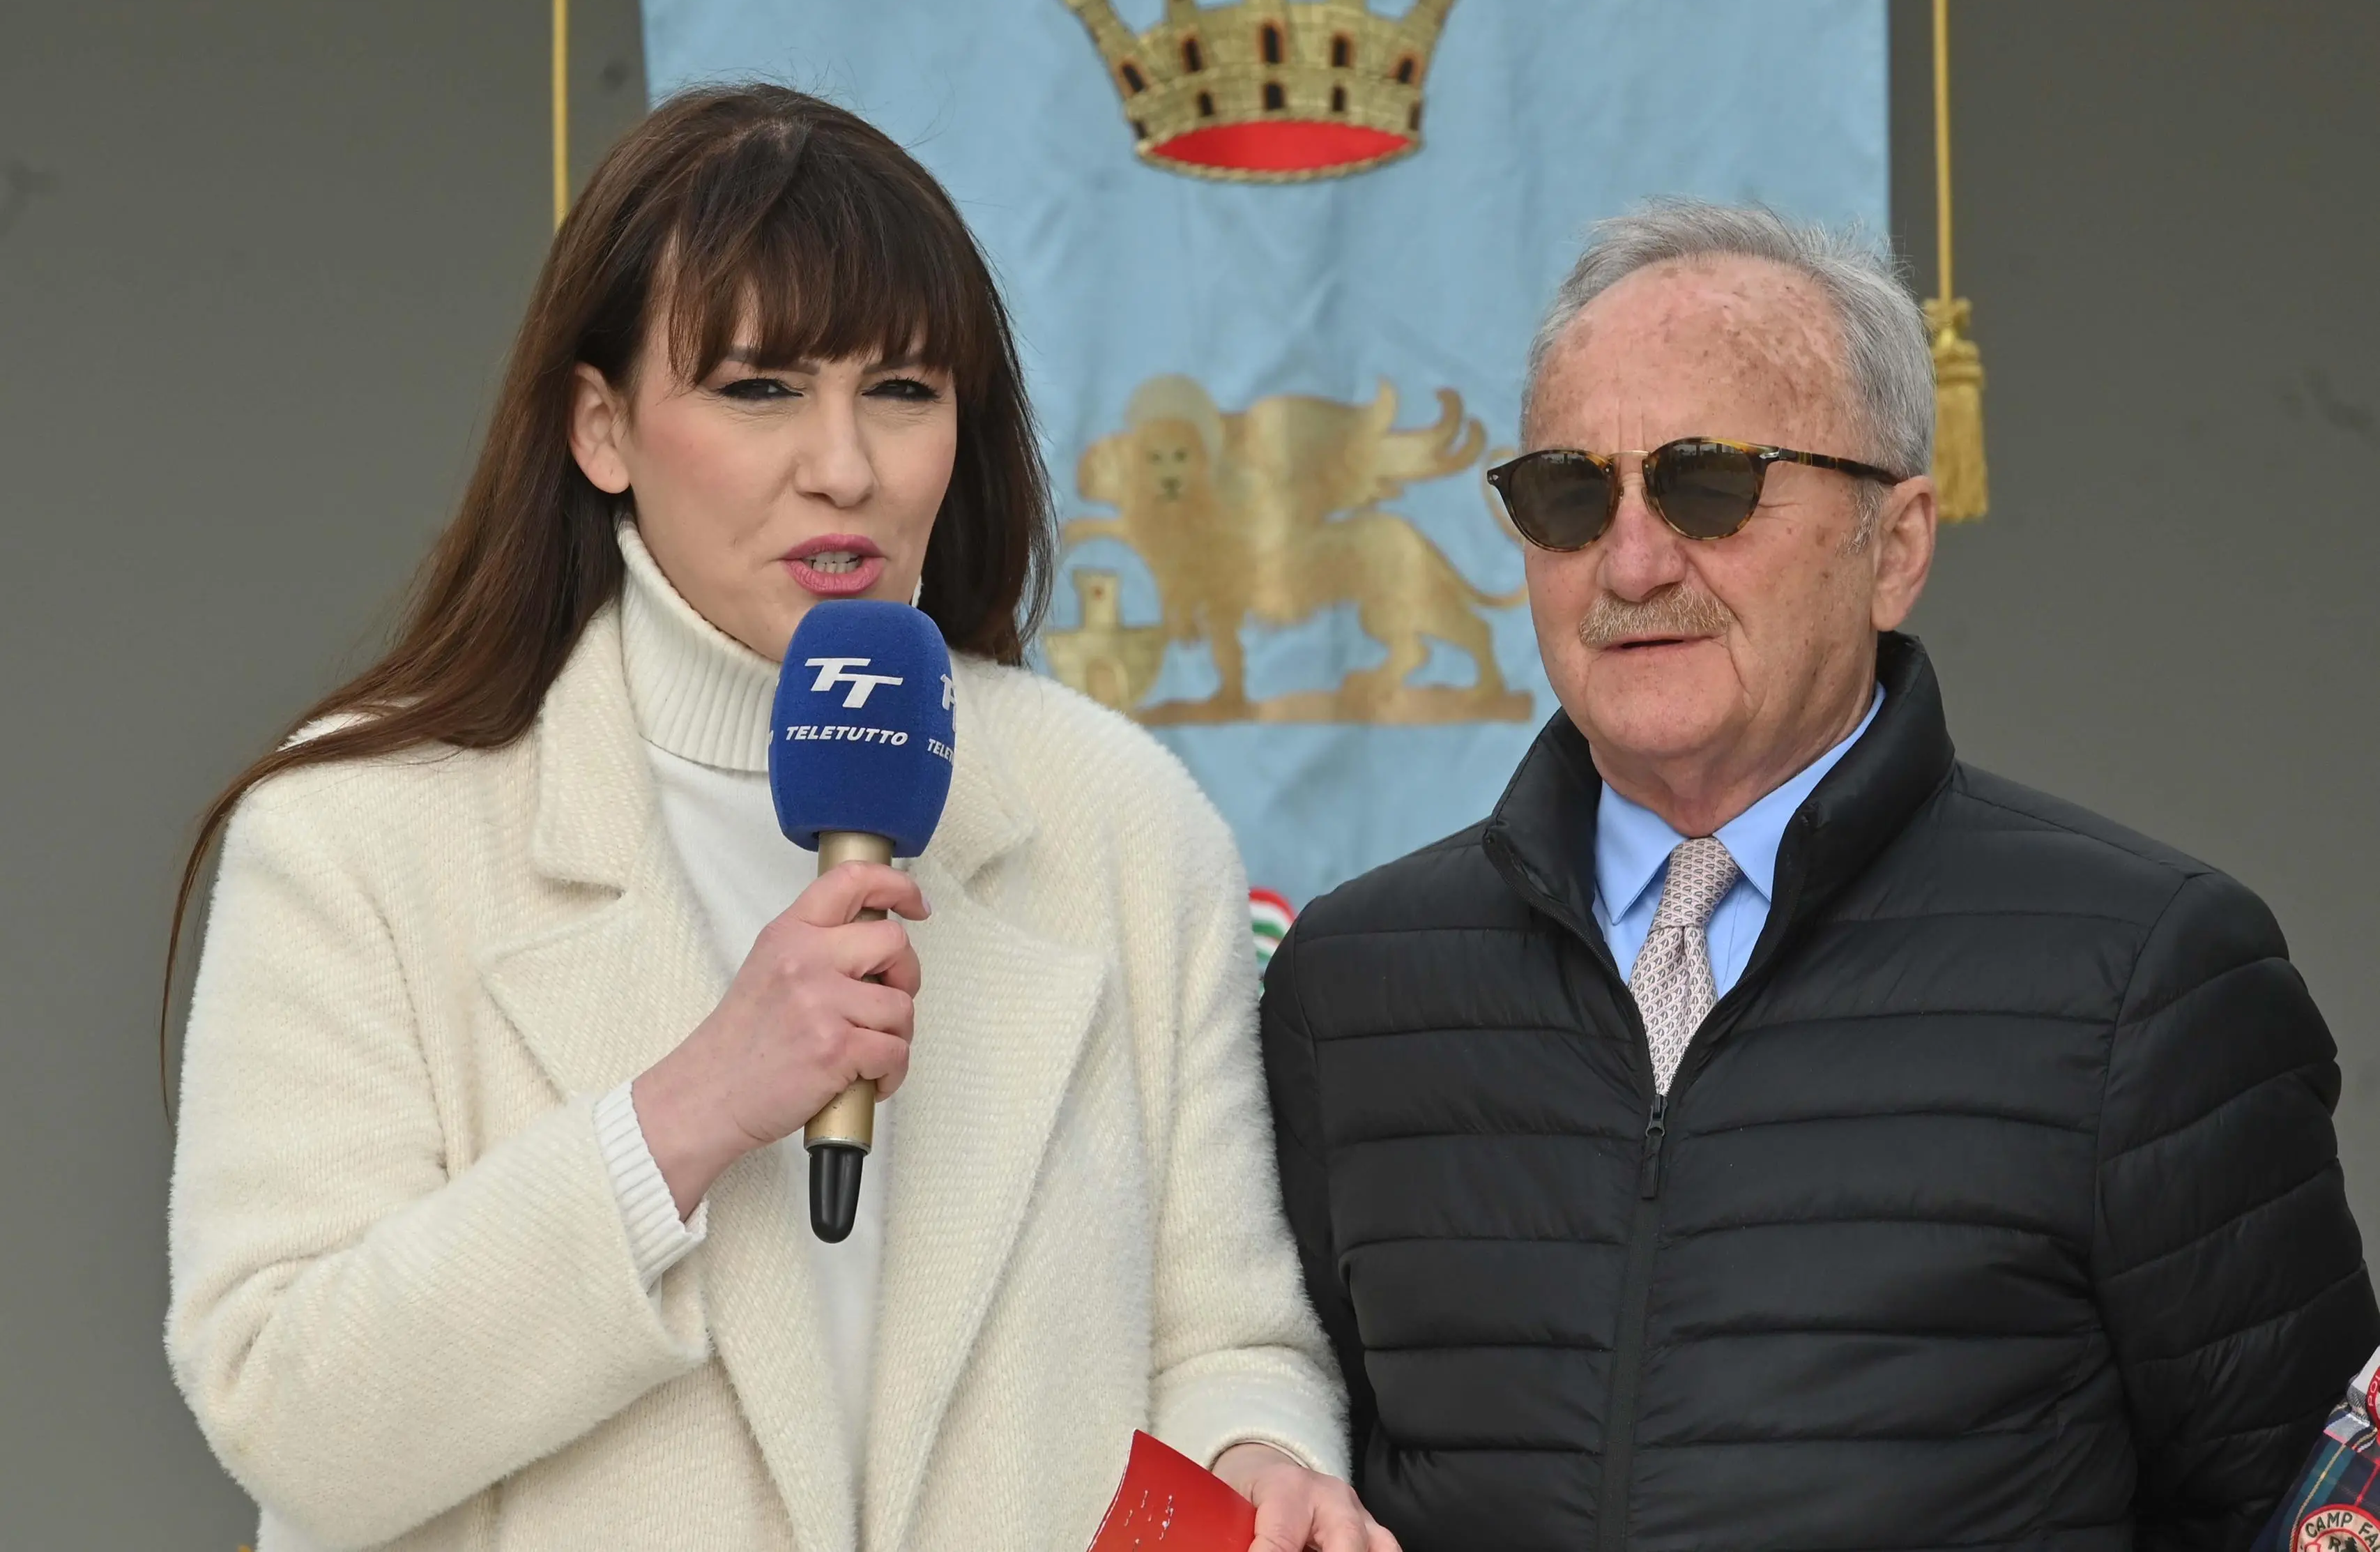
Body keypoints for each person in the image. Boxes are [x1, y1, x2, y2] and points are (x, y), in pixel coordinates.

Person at [165, 85, 1396, 1552]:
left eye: (904, 388)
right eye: (761, 388)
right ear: (602, 425)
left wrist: (1261, 1457)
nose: (848, 465)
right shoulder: (359, 832)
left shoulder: (1115, 815)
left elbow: (1229, 1335)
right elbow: (292, 1412)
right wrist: (685, 1113)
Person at [1259, 199, 2378, 1551]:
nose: (1630, 558)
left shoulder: (2145, 977)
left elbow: (2305, 1519)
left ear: (1895, 545)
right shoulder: (1355, 985)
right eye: (1568, 492)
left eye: (1705, 483)